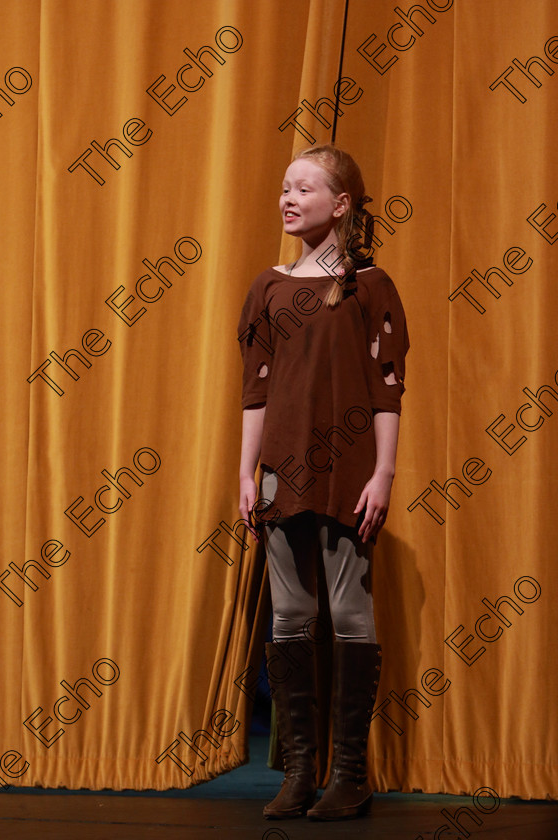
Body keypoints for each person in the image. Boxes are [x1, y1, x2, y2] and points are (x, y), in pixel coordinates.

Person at [237, 144, 409, 821]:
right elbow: (255, 391)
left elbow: (388, 389)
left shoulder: (371, 286)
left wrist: (384, 473)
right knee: (291, 617)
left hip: (348, 470)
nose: (289, 198)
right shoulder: (268, 285)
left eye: (304, 189)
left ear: (339, 204)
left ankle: (350, 774)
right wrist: (245, 473)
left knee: (348, 612)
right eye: (285, 187)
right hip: (283, 471)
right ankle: (300, 771)